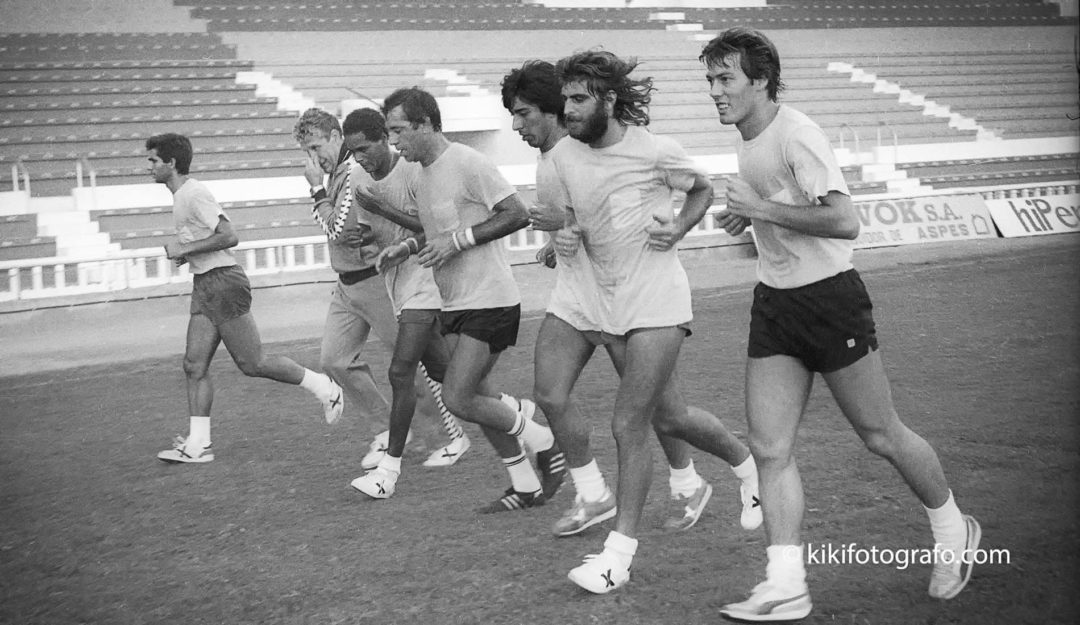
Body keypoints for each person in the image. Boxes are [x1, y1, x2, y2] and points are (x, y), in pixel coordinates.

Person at [699, 28, 981, 621]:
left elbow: (845, 220)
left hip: (830, 301)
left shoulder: (797, 133)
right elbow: (787, 213)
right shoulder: (750, 142)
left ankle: (953, 527)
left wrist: (760, 210)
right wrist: (749, 221)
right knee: (770, 447)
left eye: (725, 78)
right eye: (710, 80)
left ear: (762, 80)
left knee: (881, 436)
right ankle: (786, 585)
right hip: (776, 305)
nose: (715, 91)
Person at [500, 60, 762, 541]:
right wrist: (563, 237)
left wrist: (679, 227)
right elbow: (573, 218)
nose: (519, 125)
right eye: (567, 99)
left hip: (642, 297)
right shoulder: (560, 158)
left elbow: (701, 188)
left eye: (578, 100)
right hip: (583, 296)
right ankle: (595, 494)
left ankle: (724, 473)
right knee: (553, 392)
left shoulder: (652, 151)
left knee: (663, 415)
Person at [376, 87, 565, 512]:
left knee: (459, 398)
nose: (394, 142)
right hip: (455, 302)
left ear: (426, 124)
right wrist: (405, 249)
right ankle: (525, 485)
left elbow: (515, 213)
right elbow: (437, 233)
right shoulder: (422, 175)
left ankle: (545, 441)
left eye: (399, 130)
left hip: (491, 299)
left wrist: (458, 242)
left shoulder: (468, 162)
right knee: (481, 399)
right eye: (390, 132)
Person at [147, 132, 343, 464]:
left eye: (153, 160)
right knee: (193, 365)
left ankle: (326, 388)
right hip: (205, 283)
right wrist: (188, 255)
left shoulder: (194, 193)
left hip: (223, 283)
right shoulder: (181, 195)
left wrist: (185, 248)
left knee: (253, 363)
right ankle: (197, 445)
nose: (147, 166)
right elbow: (206, 240)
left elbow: (229, 235)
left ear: (171, 163)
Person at [293, 108, 468, 472]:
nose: (314, 157)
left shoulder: (354, 172)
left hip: (374, 281)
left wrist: (314, 191)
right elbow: (343, 232)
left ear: (335, 136)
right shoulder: (340, 175)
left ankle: (452, 436)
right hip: (347, 283)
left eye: (315, 146)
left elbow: (336, 231)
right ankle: (388, 431)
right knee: (335, 359)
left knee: (414, 363)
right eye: (307, 151)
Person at [336, 107, 471, 499]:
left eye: (364, 149)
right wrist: (364, 239)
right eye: (353, 152)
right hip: (398, 283)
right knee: (451, 377)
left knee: (400, 371)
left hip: (426, 278)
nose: (359, 159)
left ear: (383, 138)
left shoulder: (413, 171)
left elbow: (435, 231)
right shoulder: (360, 177)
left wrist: (384, 212)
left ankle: (387, 473)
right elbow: (371, 230)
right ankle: (521, 421)